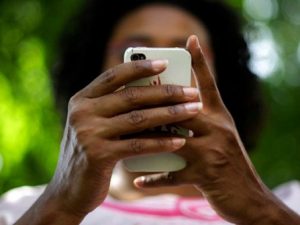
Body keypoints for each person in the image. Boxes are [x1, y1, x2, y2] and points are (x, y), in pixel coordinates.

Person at [1, 0, 300, 224]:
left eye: (184, 54)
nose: (161, 71)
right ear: (95, 73)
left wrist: (260, 210)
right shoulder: (22, 208)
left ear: (221, 80)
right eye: (135, 53)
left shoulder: (290, 204)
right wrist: (61, 205)